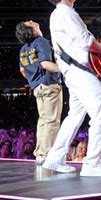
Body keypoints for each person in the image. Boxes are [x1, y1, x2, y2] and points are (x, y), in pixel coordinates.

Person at [42, 0, 101, 177]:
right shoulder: (65, 13)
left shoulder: (61, 14)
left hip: (74, 72)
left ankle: (54, 159)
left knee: (74, 116)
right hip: (80, 73)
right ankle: (92, 163)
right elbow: (87, 42)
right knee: (100, 111)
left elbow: (83, 44)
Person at [16, 20, 63, 165]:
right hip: (49, 84)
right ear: (33, 31)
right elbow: (45, 64)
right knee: (51, 121)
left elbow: (23, 70)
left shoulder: (23, 49)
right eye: (29, 23)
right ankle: (47, 155)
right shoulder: (41, 41)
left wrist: (34, 81)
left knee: (43, 121)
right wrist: (66, 69)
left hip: (37, 87)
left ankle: (40, 153)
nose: (31, 21)